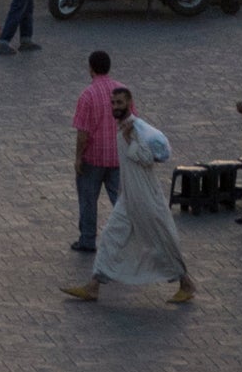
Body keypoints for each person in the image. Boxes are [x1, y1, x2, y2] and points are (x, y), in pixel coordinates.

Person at [69, 84, 190, 303]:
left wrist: (129, 141)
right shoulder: (123, 127)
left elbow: (147, 159)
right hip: (128, 198)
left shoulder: (134, 128)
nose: (115, 106)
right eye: (113, 103)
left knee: (161, 238)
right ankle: (94, 286)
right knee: (110, 238)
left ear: (129, 103)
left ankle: (185, 282)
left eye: (120, 103)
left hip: (146, 197)